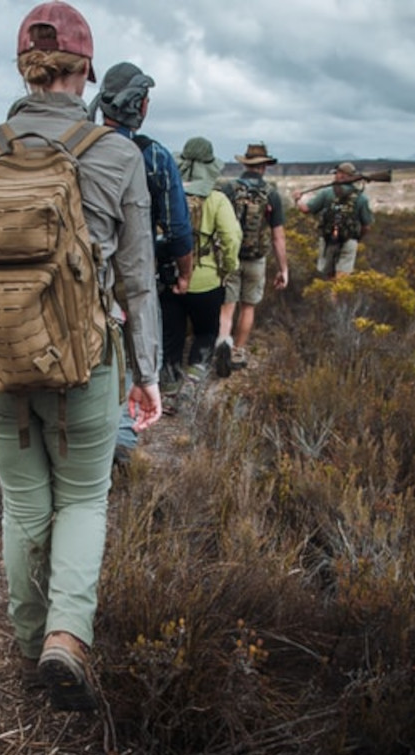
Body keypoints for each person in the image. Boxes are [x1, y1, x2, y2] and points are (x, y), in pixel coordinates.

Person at [0, 0, 162, 712]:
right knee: (82, 498)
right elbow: (137, 277)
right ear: (85, 70)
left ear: (24, 67)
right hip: (85, 364)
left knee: (23, 503)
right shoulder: (116, 153)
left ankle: (25, 635)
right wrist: (149, 372)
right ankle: (66, 639)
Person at [87, 61, 193, 464]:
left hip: (81, 278)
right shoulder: (154, 157)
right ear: (141, 106)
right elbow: (179, 229)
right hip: (132, 275)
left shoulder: (79, 147)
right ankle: (120, 451)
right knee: (131, 362)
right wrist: (184, 273)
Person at [164, 136, 242, 410]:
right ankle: (192, 382)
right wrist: (228, 268)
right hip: (207, 281)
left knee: (171, 336)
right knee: (206, 332)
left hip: (169, 277)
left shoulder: (165, 195)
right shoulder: (218, 199)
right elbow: (232, 237)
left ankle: (170, 390)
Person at [214, 142, 290, 377]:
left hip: (230, 257)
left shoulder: (228, 189)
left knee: (227, 308)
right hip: (256, 259)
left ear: (245, 164)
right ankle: (238, 351)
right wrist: (283, 268)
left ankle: (221, 347)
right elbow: (278, 237)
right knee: (248, 307)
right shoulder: (272, 194)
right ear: (265, 166)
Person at [293, 161, 375, 276]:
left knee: (327, 276)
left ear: (340, 175)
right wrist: (356, 238)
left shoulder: (326, 193)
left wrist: (297, 199)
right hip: (349, 240)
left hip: (328, 240)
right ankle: (339, 293)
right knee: (343, 278)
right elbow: (367, 226)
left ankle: (326, 292)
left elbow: (306, 209)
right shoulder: (361, 198)